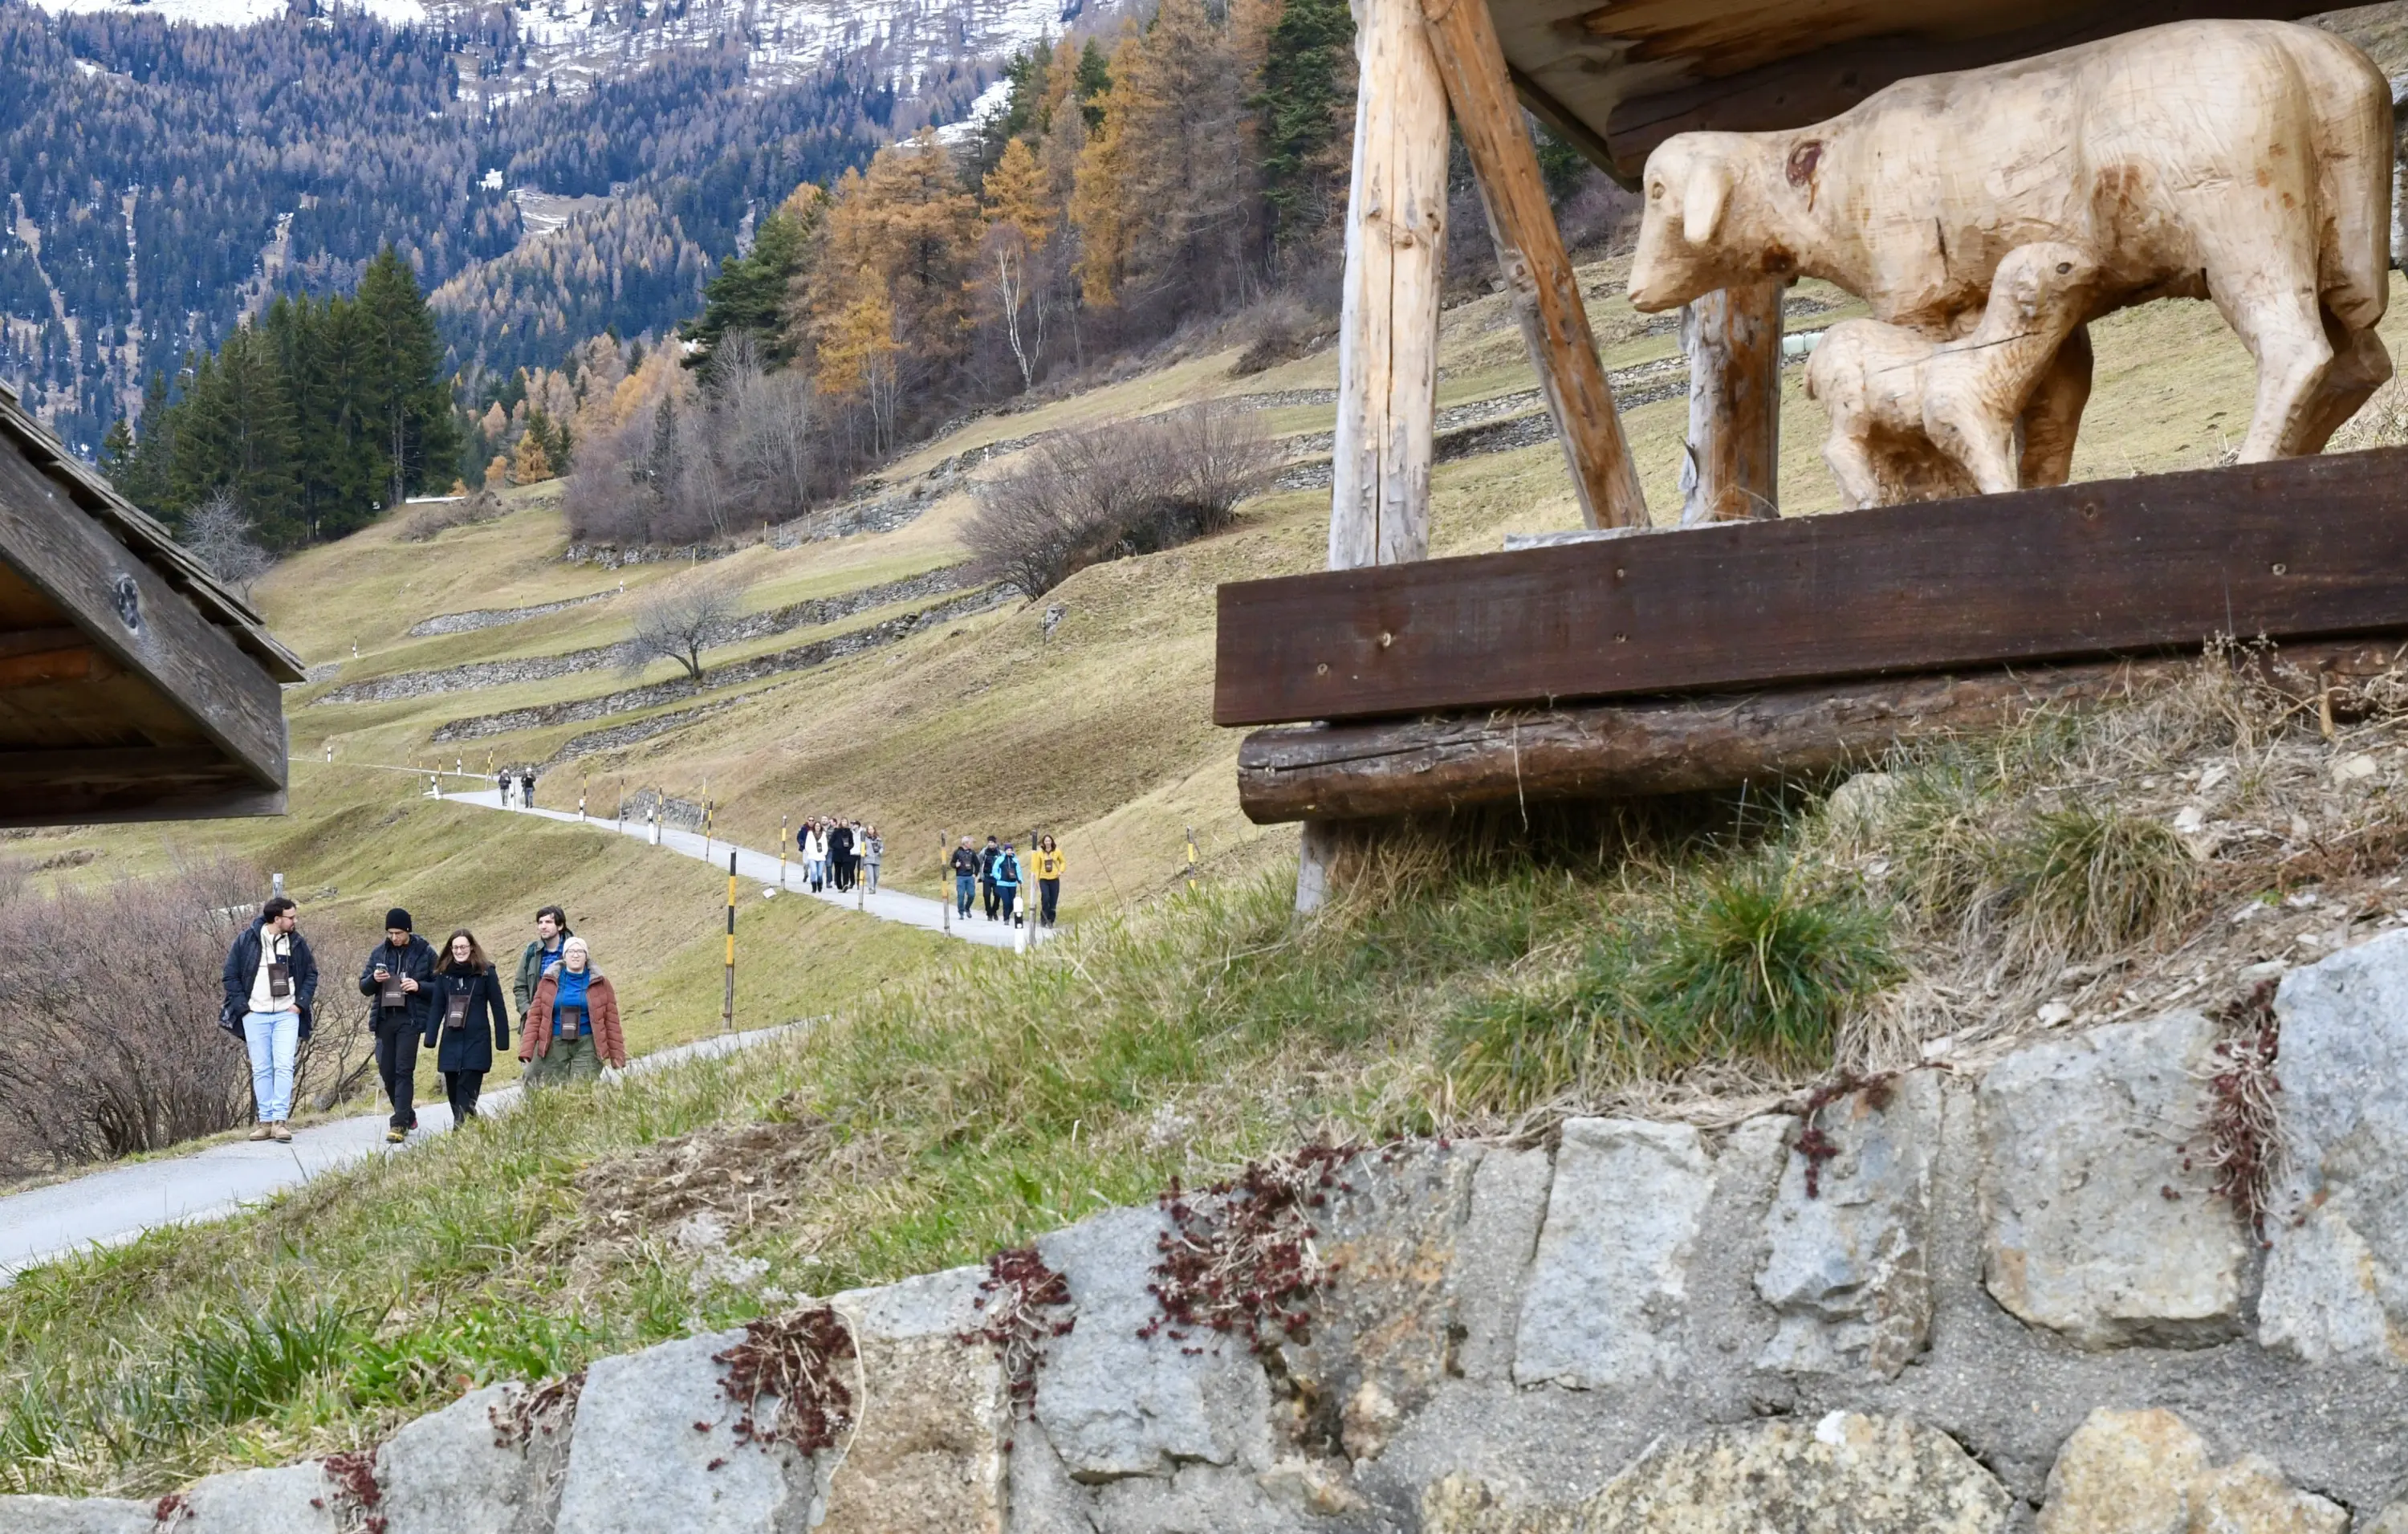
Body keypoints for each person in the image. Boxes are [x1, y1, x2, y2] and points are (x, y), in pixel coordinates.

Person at [219, 896, 319, 1143]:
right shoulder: (246, 941)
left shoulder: (296, 943)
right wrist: (244, 1009)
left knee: (284, 1065)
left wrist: (300, 1004)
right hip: (256, 1015)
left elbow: (311, 974)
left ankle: (280, 1122)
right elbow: (230, 976)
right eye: (291, 917)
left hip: (287, 1014)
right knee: (262, 1068)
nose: (295, 921)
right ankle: (264, 1123)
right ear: (277, 919)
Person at [358, 909, 439, 1143]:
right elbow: (363, 987)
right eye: (391, 933)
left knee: (404, 1070)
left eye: (399, 933)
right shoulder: (379, 953)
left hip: (410, 1019)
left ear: (408, 931)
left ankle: (399, 1123)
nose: (394, 937)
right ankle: (407, 1112)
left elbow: (440, 987)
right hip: (385, 1019)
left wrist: (419, 986)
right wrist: (374, 979)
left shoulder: (425, 952)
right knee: (386, 1070)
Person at [520, 936, 627, 1088]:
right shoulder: (549, 981)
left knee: (581, 1089)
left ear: (586, 956)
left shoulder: (600, 982)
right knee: (556, 1090)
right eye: (571, 951)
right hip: (555, 1044)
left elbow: (612, 1021)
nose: (575, 955)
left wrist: (618, 1057)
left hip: (587, 1043)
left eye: (580, 951)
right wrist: (527, 1050)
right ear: (564, 956)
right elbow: (535, 1017)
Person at [430, 929, 511, 1124]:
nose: (460, 951)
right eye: (456, 947)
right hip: (451, 1039)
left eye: (463, 947)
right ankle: (471, 1124)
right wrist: (430, 1037)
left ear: (472, 947)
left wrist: (503, 1040)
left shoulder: (486, 973)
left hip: (477, 1040)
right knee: (453, 1091)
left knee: (467, 1088)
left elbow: (498, 1006)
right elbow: (437, 1006)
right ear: (450, 949)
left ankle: (459, 1131)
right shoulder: (443, 975)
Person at [515, 905, 571, 1020]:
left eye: (548, 922)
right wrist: (527, 1010)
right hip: (538, 1019)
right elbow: (520, 986)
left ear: (560, 926)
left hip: (567, 1017)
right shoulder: (531, 953)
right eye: (540, 922)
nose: (543, 927)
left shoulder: (574, 951)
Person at [1034, 834, 1065, 928]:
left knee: (1053, 901)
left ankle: (1051, 920)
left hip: (1054, 879)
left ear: (1052, 841)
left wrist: (1061, 871)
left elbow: (1063, 862)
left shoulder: (1057, 851)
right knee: (1046, 898)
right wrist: (1037, 880)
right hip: (1044, 879)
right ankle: (1043, 919)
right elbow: (1037, 867)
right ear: (1043, 842)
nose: (1047, 842)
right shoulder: (1040, 853)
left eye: (1049, 841)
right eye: (1046, 841)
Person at [993, 840, 1024, 926]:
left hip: (1012, 884)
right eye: (1008, 850)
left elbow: (1018, 871)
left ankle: (1007, 914)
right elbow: (994, 870)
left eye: (1011, 850)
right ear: (1005, 851)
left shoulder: (1015, 860)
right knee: (1006, 902)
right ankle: (1006, 918)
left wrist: (1020, 880)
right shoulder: (1000, 859)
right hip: (1002, 884)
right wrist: (999, 877)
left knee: (1012, 903)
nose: (1009, 851)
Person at [950, 836, 979, 918]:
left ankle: (967, 908)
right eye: (970, 843)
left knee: (972, 895)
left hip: (970, 877)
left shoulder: (972, 853)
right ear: (965, 843)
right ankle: (961, 913)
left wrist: (975, 874)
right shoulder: (957, 852)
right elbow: (952, 863)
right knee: (961, 895)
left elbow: (977, 864)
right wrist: (955, 865)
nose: (971, 844)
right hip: (960, 877)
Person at [979, 834, 1003, 921]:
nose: (990, 844)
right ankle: (989, 913)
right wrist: (981, 874)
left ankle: (994, 910)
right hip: (987, 877)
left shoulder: (1000, 853)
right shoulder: (984, 852)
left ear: (996, 843)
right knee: (986, 895)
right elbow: (980, 863)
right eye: (989, 842)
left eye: (992, 842)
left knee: (997, 895)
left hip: (996, 878)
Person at [828, 820, 854, 893]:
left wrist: (849, 847)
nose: (844, 823)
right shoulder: (836, 832)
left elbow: (852, 843)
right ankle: (839, 886)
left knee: (846, 870)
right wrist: (837, 846)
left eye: (846, 821)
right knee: (838, 871)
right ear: (841, 823)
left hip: (846, 854)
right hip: (837, 854)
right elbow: (831, 842)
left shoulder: (849, 832)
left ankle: (845, 884)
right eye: (843, 821)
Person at [803, 820, 828, 893]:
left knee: (820, 873)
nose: (817, 827)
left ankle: (819, 884)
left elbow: (825, 845)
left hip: (821, 856)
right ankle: (814, 887)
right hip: (812, 856)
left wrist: (824, 853)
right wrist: (810, 851)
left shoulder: (823, 834)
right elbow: (807, 844)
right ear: (814, 827)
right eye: (816, 826)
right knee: (814, 871)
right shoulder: (810, 834)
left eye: (819, 826)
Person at [861, 824, 883, 894]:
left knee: (876, 875)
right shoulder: (865, 839)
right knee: (870, 874)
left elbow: (882, 847)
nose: (870, 831)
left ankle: (874, 886)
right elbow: (862, 848)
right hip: (868, 858)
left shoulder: (878, 839)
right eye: (869, 829)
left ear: (874, 830)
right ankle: (871, 888)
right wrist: (864, 853)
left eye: (872, 829)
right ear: (867, 831)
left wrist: (880, 852)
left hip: (876, 858)